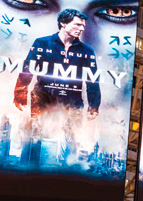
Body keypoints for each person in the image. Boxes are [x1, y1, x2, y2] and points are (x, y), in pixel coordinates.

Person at [13, 9, 100, 154]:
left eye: (83, 26)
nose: (81, 29)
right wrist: (20, 95)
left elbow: (92, 81)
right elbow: (28, 70)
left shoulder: (87, 51)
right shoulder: (42, 43)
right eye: (77, 24)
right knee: (36, 134)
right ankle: (30, 165)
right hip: (43, 96)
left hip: (73, 100)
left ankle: (68, 167)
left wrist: (94, 106)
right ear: (63, 24)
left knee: (72, 139)